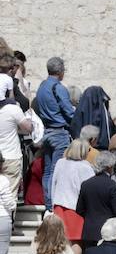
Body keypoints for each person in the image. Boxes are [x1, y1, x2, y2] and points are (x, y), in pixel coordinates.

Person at [34, 58, 75, 209]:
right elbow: (68, 111)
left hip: (47, 132)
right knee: (56, 171)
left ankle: (48, 204)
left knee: (47, 171)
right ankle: (52, 206)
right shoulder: (58, 88)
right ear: (60, 71)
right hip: (59, 133)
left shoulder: (42, 86)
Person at [76, 152, 116, 249]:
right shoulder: (113, 186)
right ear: (109, 166)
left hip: (89, 231)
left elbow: (79, 209)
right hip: (107, 231)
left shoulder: (86, 184)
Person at [71, 86, 113, 151]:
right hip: (101, 148)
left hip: (82, 148)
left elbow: (75, 127)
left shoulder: (80, 111)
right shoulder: (102, 113)